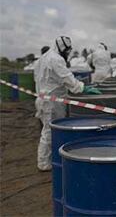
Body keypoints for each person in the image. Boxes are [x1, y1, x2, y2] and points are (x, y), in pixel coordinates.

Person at [36, 36, 101, 171]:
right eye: (67, 49)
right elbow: (67, 79)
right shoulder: (56, 59)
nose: (68, 52)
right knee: (49, 131)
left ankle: (48, 160)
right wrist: (83, 87)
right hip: (52, 101)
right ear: (61, 47)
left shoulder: (44, 57)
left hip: (44, 97)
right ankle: (43, 163)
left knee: (48, 130)